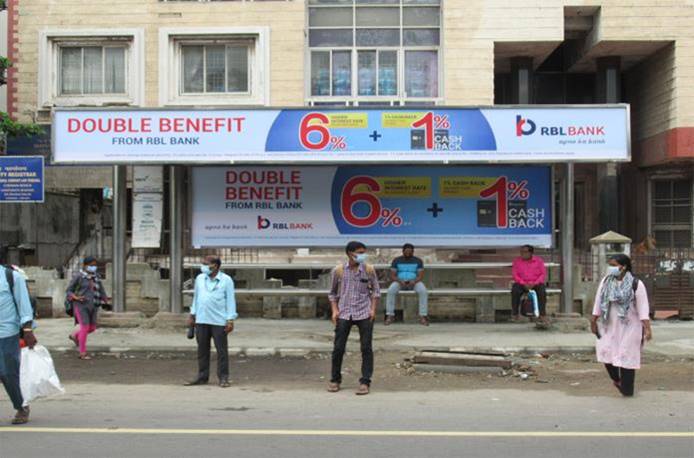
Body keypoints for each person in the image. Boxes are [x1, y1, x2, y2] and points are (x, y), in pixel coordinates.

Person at [591, 254, 652, 397]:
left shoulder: (636, 284)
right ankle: (616, 380)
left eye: (613, 265)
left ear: (623, 267)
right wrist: (593, 321)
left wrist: (648, 328)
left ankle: (627, 389)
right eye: (610, 265)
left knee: (627, 356)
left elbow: (643, 309)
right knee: (605, 352)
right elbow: (598, 302)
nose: (610, 268)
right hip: (609, 324)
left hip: (630, 326)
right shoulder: (606, 282)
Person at [327, 241, 380, 396]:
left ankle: (365, 382)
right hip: (344, 313)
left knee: (366, 348)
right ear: (350, 253)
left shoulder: (369, 270)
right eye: (359, 252)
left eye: (364, 252)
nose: (363, 255)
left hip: (364, 313)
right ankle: (335, 379)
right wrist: (334, 310)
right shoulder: (338, 271)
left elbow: (376, 291)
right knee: (338, 348)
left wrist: (373, 310)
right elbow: (332, 293)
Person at [185, 256, 237, 388]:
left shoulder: (226, 280)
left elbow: (231, 301)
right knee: (202, 350)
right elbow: (196, 297)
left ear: (215, 266)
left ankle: (223, 377)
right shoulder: (200, 278)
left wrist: (230, 320)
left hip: (219, 320)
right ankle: (202, 376)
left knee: (221, 351)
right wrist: (192, 314)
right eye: (203, 263)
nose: (203, 266)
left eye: (206, 264)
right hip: (202, 319)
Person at [0, 262, 36, 424]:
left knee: (8, 373)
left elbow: (24, 305)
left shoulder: (12, 276)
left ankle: (21, 406)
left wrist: (27, 330)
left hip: (7, 333)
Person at [66, 256, 109, 360]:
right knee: (84, 328)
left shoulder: (96, 276)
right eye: (91, 265)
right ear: (85, 265)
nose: (93, 267)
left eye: (95, 265)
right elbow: (69, 290)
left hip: (94, 305)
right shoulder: (79, 276)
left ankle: (75, 336)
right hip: (80, 306)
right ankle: (82, 352)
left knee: (92, 328)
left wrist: (105, 300)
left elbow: (101, 289)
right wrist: (76, 297)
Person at [385, 243, 429, 326]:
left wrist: (414, 281)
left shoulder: (418, 261)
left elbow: (420, 276)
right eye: (406, 251)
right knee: (391, 290)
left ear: (413, 252)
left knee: (423, 291)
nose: (408, 253)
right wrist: (400, 280)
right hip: (399, 282)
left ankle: (423, 316)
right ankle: (390, 315)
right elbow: (393, 275)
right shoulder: (396, 260)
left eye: (410, 251)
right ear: (403, 251)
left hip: (414, 282)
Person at [511, 245, 548, 323]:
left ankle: (542, 315)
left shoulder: (538, 261)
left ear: (531, 253)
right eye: (521, 252)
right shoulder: (517, 261)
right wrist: (523, 283)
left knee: (542, 291)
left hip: (535, 283)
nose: (522, 254)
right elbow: (515, 274)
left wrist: (535, 283)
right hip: (522, 283)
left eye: (525, 252)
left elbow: (543, 274)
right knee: (515, 290)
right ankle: (515, 314)